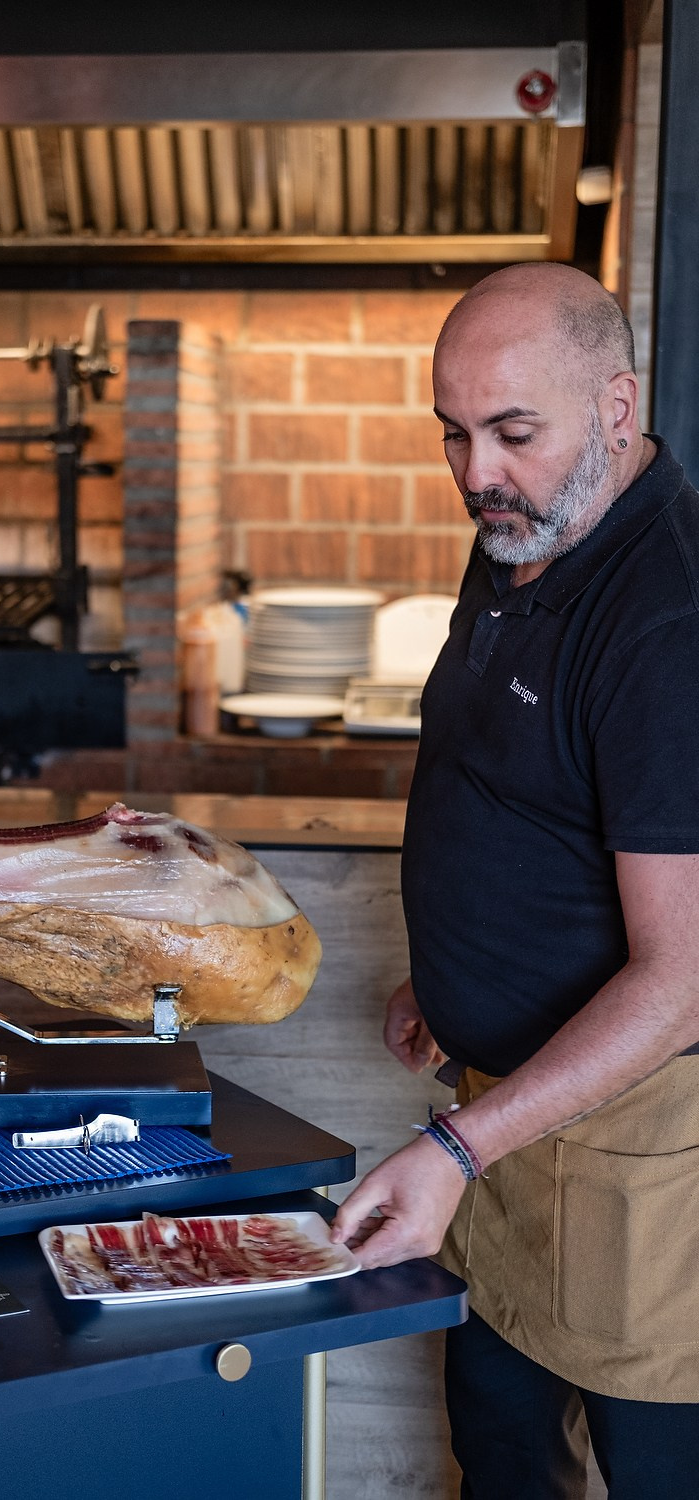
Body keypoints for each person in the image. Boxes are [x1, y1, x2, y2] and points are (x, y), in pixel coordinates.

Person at [330, 262, 699, 1499]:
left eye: (512, 432)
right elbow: (509, 786)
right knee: (496, 1460)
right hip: (498, 1121)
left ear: (614, 406)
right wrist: (453, 966)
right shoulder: (528, 530)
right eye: (453, 432)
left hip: (637, 1159)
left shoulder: (664, 626)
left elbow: (683, 980)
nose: (475, 472)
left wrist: (451, 1148)